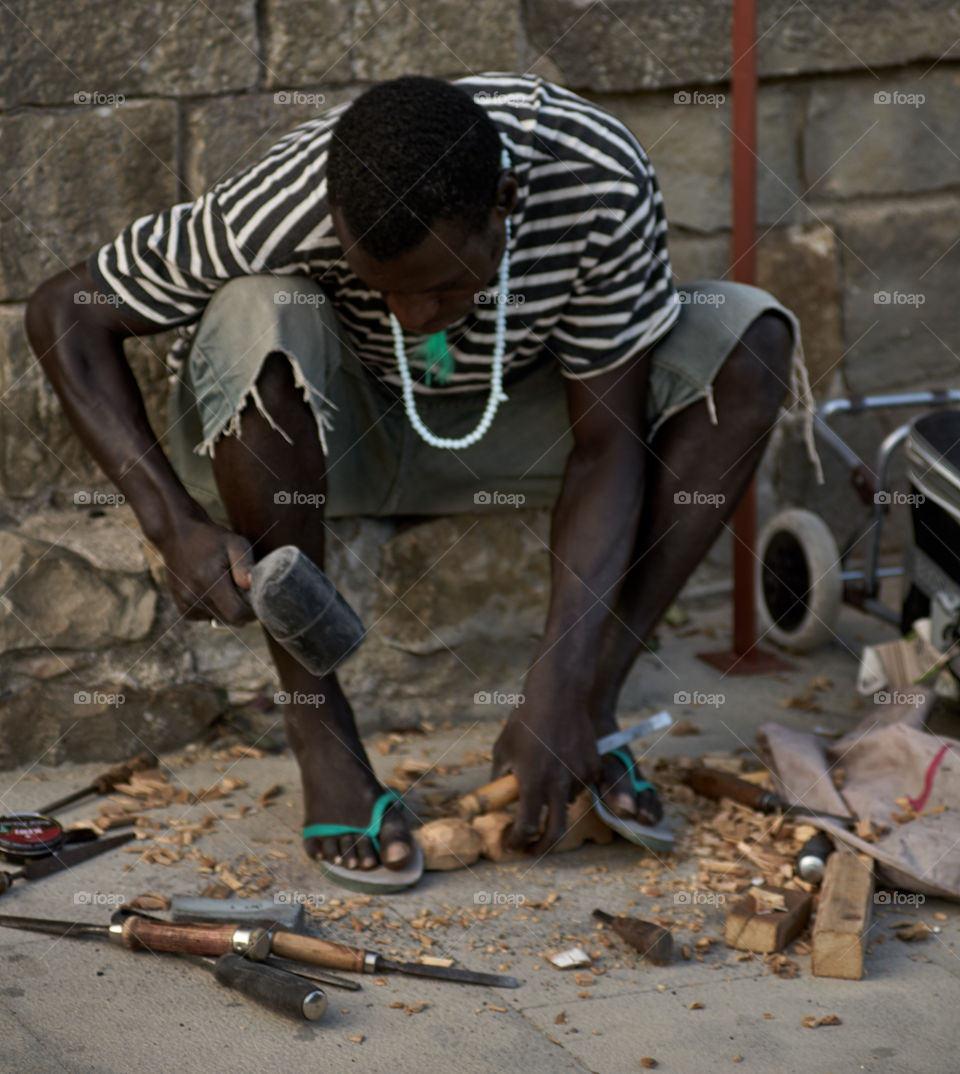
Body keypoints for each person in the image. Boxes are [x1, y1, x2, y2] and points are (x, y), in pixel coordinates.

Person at [26, 72, 801, 889]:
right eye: (382, 288)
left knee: (748, 338)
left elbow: (607, 448)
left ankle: (587, 715)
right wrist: (169, 522)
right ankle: (321, 737)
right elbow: (63, 309)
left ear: (504, 200)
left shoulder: (594, 178)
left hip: (517, 427)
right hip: (331, 434)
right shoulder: (288, 198)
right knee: (257, 310)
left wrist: (563, 676)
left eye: (438, 286)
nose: (413, 317)